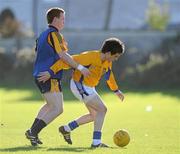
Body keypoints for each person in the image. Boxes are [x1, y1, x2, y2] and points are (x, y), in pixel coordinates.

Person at [39, 37, 125, 148]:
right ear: (108, 53)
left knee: (95, 115)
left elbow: (109, 75)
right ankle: (96, 143)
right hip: (79, 85)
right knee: (102, 109)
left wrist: (116, 90)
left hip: (89, 87)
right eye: (115, 56)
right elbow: (67, 60)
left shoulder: (107, 62)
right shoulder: (90, 57)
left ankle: (66, 128)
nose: (116, 59)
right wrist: (51, 71)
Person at [25, 7, 90, 146]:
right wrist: (79, 67)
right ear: (55, 19)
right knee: (57, 109)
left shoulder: (42, 34)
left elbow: (44, 55)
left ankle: (31, 132)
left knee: (49, 105)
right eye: (62, 19)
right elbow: (63, 56)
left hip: (39, 74)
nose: (64, 22)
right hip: (49, 76)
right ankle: (33, 132)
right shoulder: (55, 34)